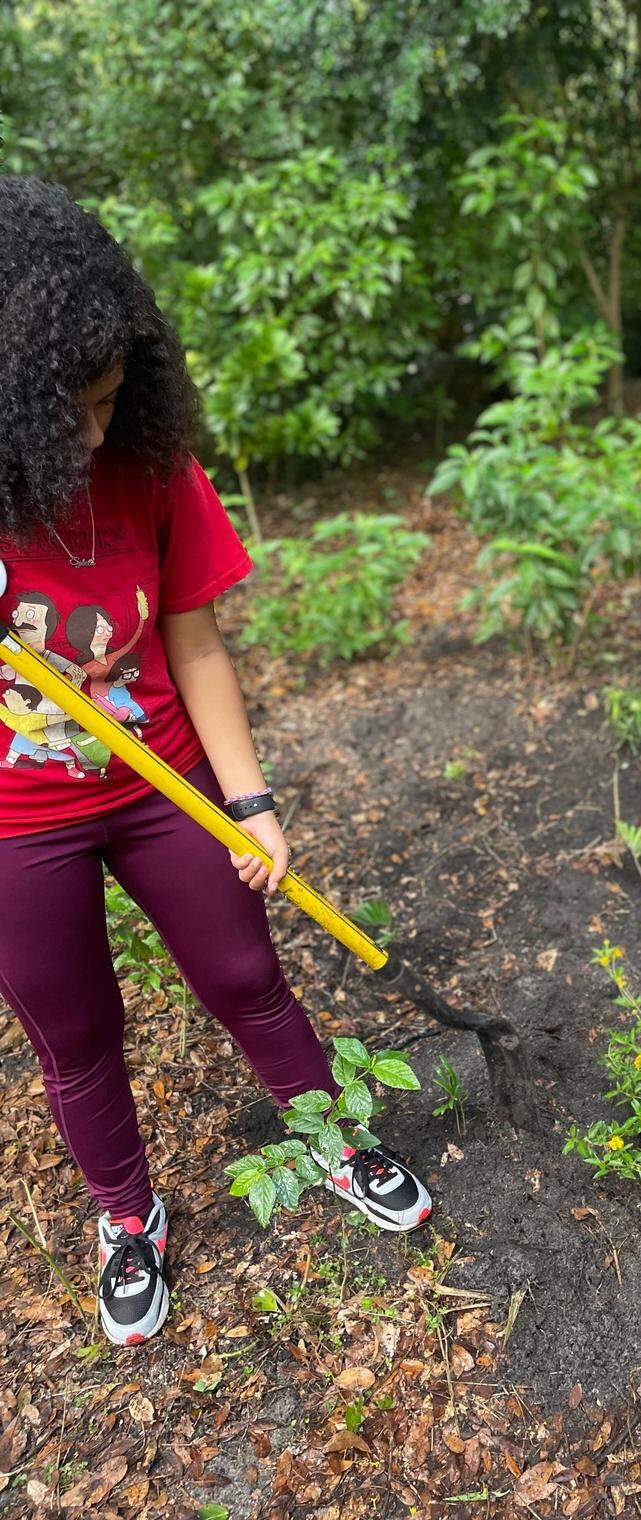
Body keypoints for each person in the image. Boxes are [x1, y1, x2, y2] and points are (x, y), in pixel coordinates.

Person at [0, 176, 431, 1347]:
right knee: (75, 1034)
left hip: (162, 781)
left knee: (247, 973)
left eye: (108, 400)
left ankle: (331, 1139)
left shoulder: (148, 465)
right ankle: (125, 1215)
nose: (94, 432)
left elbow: (192, 635)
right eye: (68, 411)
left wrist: (252, 800)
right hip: (14, 819)